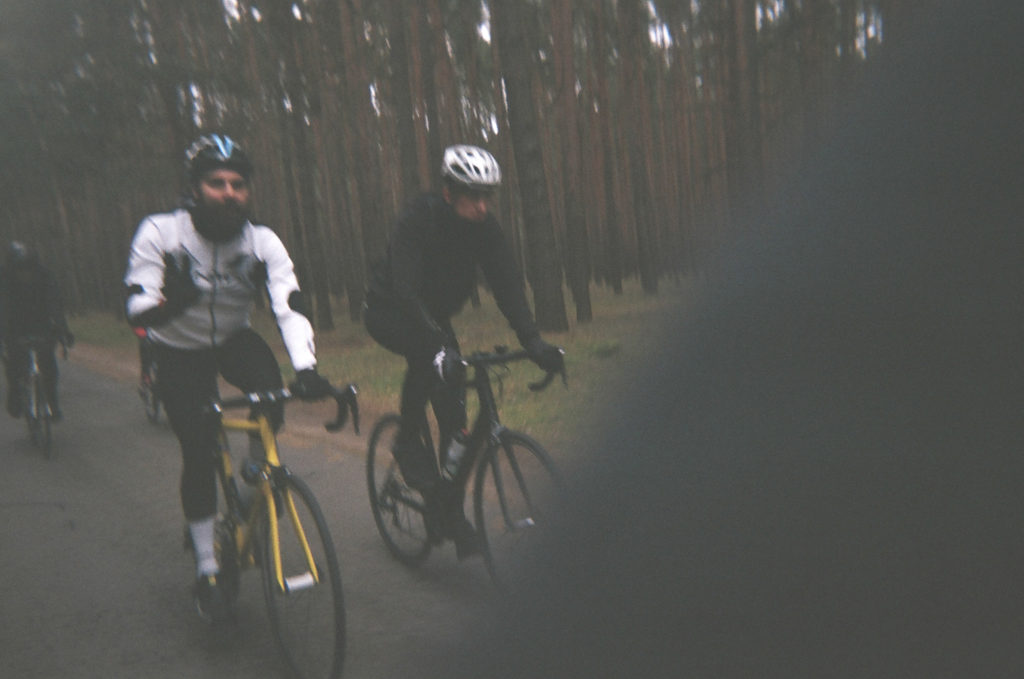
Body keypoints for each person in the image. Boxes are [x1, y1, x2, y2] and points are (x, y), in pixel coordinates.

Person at [123, 133, 333, 623]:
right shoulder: (161, 233)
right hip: (178, 346)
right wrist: (171, 304)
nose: (229, 193)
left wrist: (306, 368)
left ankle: (250, 486)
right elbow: (135, 302)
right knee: (198, 449)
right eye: (216, 183)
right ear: (194, 188)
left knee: (272, 399)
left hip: (234, 338)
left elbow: (289, 304)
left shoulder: (262, 242)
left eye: (238, 184)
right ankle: (207, 565)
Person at [364, 144, 565, 558]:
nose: (482, 206)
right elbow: (405, 289)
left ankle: (447, 508)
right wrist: (437, 349)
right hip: (390, 310)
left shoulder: (485, 229)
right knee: (428, 359)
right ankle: (406, 440)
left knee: (455, 414)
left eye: (487, 196)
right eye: (473, 196)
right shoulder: (419, 219)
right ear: (449, 193)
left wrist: (532, 341)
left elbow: (507, 285)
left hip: (432, 317)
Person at [0, 241, 74, 420]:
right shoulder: (5, 279)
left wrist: (63, 330)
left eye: (28, 269)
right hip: (15, 327)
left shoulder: (45, 277)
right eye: (20, 269)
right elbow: (4, 308)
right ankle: (16, 394)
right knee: (14, 364)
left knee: (48, 366)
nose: (25, 274)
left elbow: (55, 304)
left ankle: (52, 403)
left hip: (42, 325)